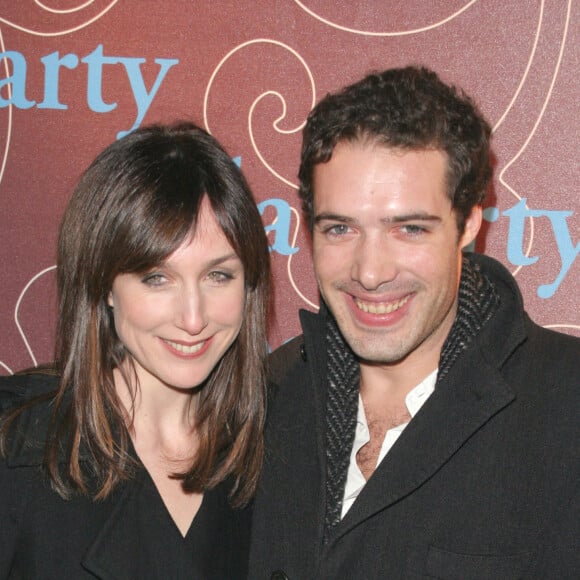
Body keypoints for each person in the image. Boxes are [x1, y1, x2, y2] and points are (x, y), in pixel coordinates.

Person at [249, 66, 580, 578]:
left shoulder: (566, 405)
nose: (371, 272)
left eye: (408, 229)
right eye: (340, 228)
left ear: (469, 222)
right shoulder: (261, 401)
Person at [0, 122, 271, 579]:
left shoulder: (285, 451)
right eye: (156, 278)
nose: (192, 317)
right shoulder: (16, 446)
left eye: (218, 276)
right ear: (105, 285)